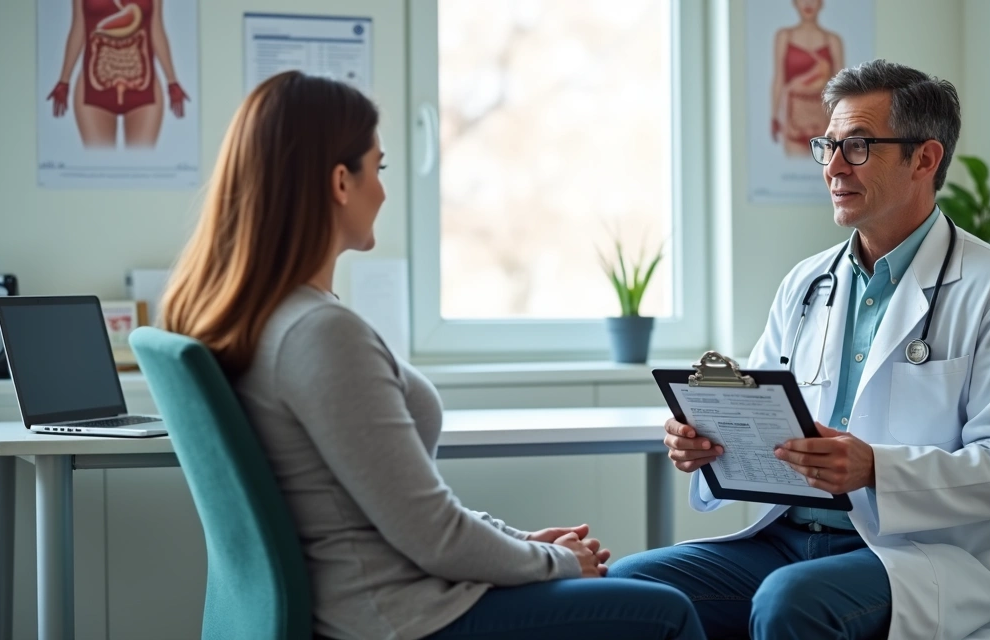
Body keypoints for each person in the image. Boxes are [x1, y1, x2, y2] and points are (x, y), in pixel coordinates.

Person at [159, 71, 706, 640]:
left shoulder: (261, 317)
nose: (384, 190)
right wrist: (558, 564)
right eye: (379, 167)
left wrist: (521, 544)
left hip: (377, 600)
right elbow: (433, 535)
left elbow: (405, 510)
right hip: (400, 618)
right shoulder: (319, 334)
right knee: (665, 612)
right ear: (340, 182)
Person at [613, 59, 990, 640]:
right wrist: (707, 443)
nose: (834, 168)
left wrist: (876, 468)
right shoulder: (806, 283)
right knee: (631, 589)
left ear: (924, 158)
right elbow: (761, 416)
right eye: (829, 146)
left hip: (918, 556)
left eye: (859, 146)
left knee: (789, 602)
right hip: (784, 538)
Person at [47, 0, 189, 148]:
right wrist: (64, 80)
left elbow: (156, 28)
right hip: (93, 91)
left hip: (144, 90)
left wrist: (172, 81)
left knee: (143, 166)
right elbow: (78, 27)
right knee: (98, 167)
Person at [770, 0, 844, 156]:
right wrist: (775, 117)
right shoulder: (784, 36)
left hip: (823, 121)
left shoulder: (833, 40)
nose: (808, 3)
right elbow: (779, 79)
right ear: (795, 2)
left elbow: (841, 87)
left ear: (821, 3)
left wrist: (843, 122)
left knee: (827, 172)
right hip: (793, 120)